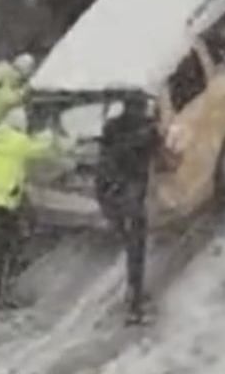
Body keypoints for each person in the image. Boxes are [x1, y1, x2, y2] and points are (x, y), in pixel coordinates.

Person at [0, 106, 61, 310]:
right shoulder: (17, 142)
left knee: (2, 234)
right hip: (1, 202)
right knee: (9, 245)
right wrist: (52, 132)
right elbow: (40, 148)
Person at [95, 96, 160, 325]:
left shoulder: (112, 127)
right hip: (127, 195)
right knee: (136, 250)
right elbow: (160, 155)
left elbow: (104, 152)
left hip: (107, 193)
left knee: (129, 242)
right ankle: (135, 306)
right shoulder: (147, 132)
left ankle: (135, 296)